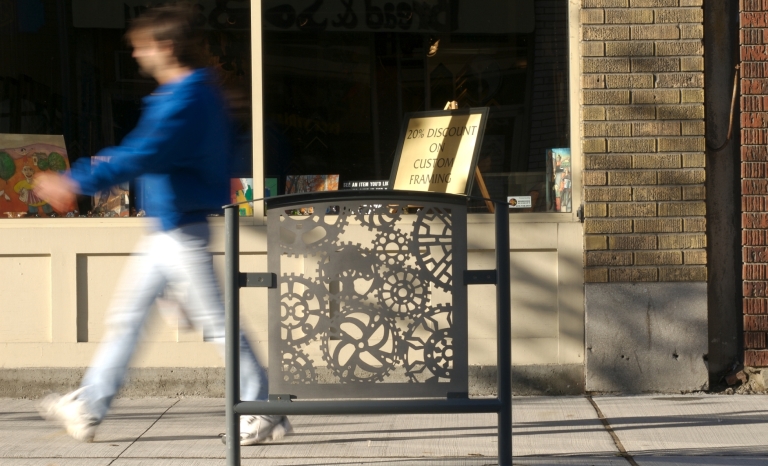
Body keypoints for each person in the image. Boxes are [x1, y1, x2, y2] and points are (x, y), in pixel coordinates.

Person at [33, 6, 290, 446]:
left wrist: (73, 180)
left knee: (214, 324)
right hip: (174, 229)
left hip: (179, 232)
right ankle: (89, 404)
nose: (135, 54)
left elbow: (142, 154)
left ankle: (261, 404)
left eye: (141, 45)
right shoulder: (200, 93)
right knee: (130, 320)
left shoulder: (185, 99)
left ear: (165, 46)